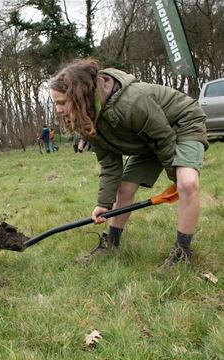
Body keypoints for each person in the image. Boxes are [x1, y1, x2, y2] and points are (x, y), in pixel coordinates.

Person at [49, 58, 208, 268]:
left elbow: (164, 139)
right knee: (124, 190)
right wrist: (103, 204)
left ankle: (182, 253)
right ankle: (111, 243)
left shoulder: (130, 102)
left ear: (79, 96)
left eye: (62, 103)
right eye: (56, 104)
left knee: (187, 184)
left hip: (182, 123)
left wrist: (175, 179)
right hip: (145, 138)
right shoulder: (84, 118)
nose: (58, 110)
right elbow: (109, 163)